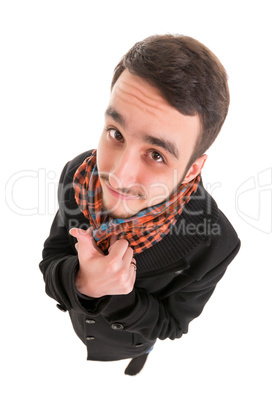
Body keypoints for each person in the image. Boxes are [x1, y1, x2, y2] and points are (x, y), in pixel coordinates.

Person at [39, 34, 241, 376]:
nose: (117, 174)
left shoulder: (216, 241)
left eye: (157, 155)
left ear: (192, 168)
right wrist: (83, 283)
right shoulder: (78, 172)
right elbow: (52, 258)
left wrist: (114, 293)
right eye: (116, 133)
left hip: (129, 346)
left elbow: (172, 326)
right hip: (73, 333)